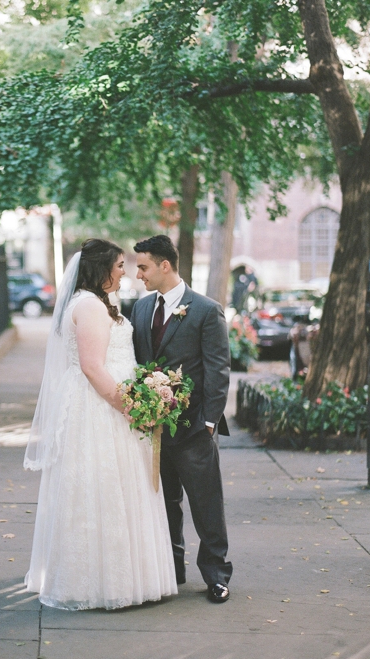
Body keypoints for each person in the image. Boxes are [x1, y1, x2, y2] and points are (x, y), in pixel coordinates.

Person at [24, 238, 177, 610]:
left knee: (119, 490)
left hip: (112, 402)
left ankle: (124, 578)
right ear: (102, 269)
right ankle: (97, 583)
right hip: (101, 408)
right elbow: (93, 367)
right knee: (102, 491)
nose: (125, 272)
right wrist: (130, 406)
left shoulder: (97, 303)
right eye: (120, 265)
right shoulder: (90, 306)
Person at [131, 234, 233, 604]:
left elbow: (218, 369)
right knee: (165, 505)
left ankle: (217, 576)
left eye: (143, 266)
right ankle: (172, 571)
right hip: (154, 431)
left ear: (165, 265)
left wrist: (208, 423)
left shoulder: (206, 310)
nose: (138, 273)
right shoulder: (141, 309)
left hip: (193, 430)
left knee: (206, 504)